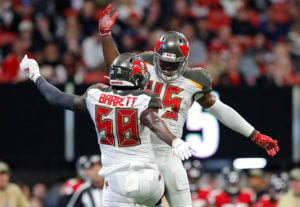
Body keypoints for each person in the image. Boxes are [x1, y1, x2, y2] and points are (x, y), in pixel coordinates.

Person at [98, 4, 280, 207]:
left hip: (168, 154)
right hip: (139, 152)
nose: (167, 69)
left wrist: (254, 134)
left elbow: (219, 109)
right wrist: (105, 35)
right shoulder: (145, 63)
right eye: (164, 63)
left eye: (173, 64)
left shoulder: (195, 80)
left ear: (184, 61)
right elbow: (117, 69)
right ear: (155, 56)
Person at [19, 53, 193, 206]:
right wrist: (174, 140)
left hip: (116, 181)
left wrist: (35, 75)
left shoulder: (96, 95)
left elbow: (55, 98)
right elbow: (154, 122)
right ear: (135, 77)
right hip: (149, 180)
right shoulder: (145, 99)